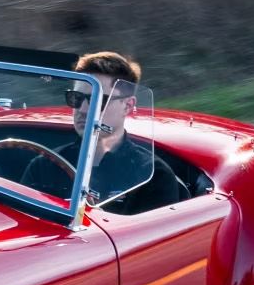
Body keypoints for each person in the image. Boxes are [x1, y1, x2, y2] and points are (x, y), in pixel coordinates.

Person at [24, 50, 181, 211]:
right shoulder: (44, 166)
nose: (83, 109)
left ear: (127, 105)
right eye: (76, 98)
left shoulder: (153, 176)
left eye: (98, 100)